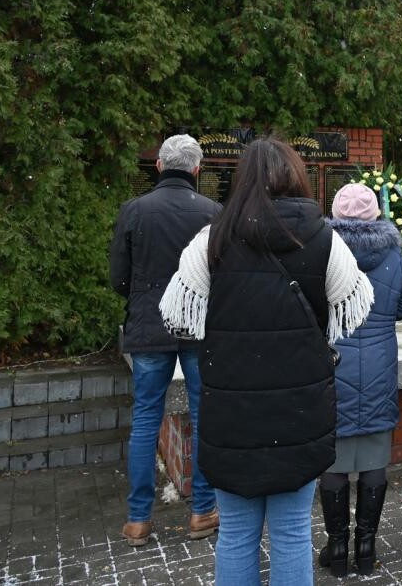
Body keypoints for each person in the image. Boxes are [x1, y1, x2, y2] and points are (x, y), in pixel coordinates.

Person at [158, 137, 373, 584]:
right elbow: (356, 304)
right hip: (299, 412)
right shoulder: (323, 238)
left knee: (236, 534)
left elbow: (178, 314)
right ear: (295, 176)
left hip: (231, 411)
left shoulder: (211, 239)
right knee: (293, 533)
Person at [109, 134, 222, 547]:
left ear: (159, 166)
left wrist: (144, 300)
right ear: (196, 169)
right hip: (197, 326)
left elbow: (118, 276)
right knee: (204, 415)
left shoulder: (135, 210)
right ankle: (202, 512)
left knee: (144, 420)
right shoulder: (213, 212)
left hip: (148, 325)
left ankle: (138, 520)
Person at [318, 183, 402, 577]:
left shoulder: (324, 251)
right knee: (375, 455)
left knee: (335, 457)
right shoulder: (393, 253)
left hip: (334, 363)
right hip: (377, 363)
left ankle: (338, 547)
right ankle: (367, 548)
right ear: (376, 213)